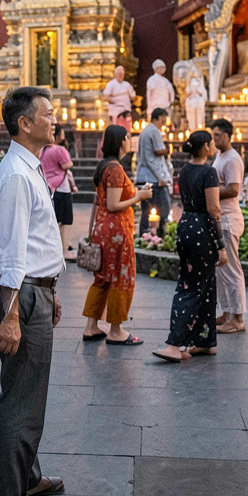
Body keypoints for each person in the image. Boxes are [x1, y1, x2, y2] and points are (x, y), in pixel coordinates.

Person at [0, 86, 66, 496]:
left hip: (35, 290)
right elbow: (13, 251)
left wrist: (49, 289)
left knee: (29, 393)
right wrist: (13, 313)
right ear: (25, 123)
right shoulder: (17, 174)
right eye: (47, 114)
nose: (53, 120)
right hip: (21, 294)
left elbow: (35, 243)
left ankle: (27, 479)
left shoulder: (28, 167)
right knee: (22, 401)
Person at [153, 130, 224, 363]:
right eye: (211, 142)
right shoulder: (209, 172)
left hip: (186, 225)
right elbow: (214, 209)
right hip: (202, 229)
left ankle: (204, 341)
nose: (213, 145)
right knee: (193, 287)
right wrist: (221, 244)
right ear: (204, 147)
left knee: (202, 285)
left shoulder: (184, 170)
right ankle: (175, 344)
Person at [82, 124, 152, 345]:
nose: (131, 140)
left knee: (102, 278)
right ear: (121, 141)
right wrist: (139, 197)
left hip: (104, 230)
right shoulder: (116, 169)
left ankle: (91, 326)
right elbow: (113, 205)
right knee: (120, 277)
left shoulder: (105, 166)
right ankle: (116, 330)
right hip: (116, 232)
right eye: (129, 136)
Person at [211, 118, 247, 334]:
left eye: (217, 136)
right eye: (213, 135)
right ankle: (227, 311)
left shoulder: (233, 159)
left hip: (229, 218)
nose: (214, 139)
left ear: (227, 136)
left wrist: (209, 191)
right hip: (220, 219)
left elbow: (233, 189)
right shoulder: (220, 156)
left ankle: (238, 317)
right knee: (221, 269)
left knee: (232, 269)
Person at [135, 108, 173, 240]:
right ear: (160, 117)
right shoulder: (154, 131)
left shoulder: (146, 131)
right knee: (164, 208)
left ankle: (144, 237)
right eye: (164, 118)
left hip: (144, 176)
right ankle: (161, 236)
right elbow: (156, 153)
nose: (165, 122)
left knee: (147, 211)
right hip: (153, 178)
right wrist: (161, 177)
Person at [40, 127, 76, 258]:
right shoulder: (60, 150)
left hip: (49, 187)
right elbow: (67, 165)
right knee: (63, 223)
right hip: (62, 187)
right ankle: (63, 250)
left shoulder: (43, 150)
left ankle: (54, 248)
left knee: (54, 220)